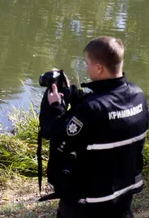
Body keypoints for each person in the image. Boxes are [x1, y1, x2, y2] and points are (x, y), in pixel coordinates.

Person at [39, 36, 149, 218]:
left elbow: (55, 132)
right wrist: (72, 94)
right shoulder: (137, 95)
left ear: (99, 68)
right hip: (122, 197)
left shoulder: (90, 110)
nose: (86, 67)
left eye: (87, 63)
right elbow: (107, 105)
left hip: (88, 203)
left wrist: (55, 107)